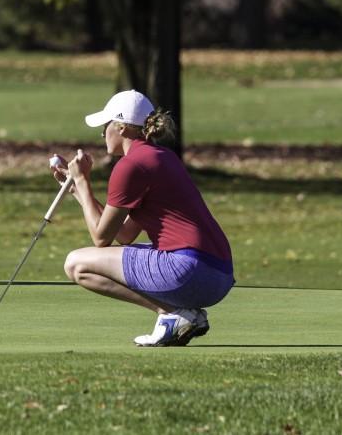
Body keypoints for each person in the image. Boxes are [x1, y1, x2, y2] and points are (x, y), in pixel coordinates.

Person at [51, 89, 234, 346]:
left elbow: (100, 238)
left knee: (76, 264)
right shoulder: (162, 157)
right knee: (88, 259)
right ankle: (182, 314)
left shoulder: (130, 166)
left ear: (122, 127)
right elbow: (124, 234)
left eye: (106, 126)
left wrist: (83, 180)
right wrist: (77, 190)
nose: (103, 133)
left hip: (190, 271)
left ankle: (171, 314)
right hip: (219, 275)